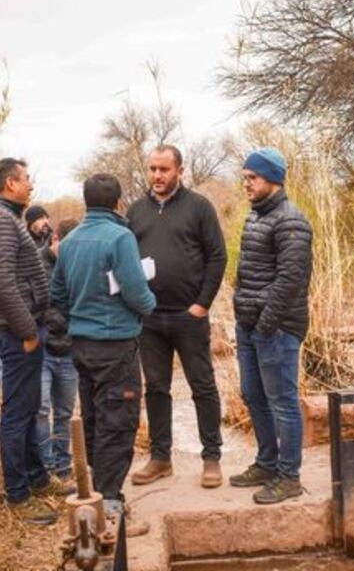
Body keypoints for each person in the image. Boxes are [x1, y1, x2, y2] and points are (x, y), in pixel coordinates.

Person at [50, 173, 156, 533]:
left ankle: (96, 493)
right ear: (117, 202)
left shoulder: (71, 239)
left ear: (86, 200)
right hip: (116, 346)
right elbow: (137, 293)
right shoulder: (120, 236)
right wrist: (149, 301)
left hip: (82, 347)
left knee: (94, 418)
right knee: (118, 422)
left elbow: (58, 295)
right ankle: (110, 509)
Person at [0, 158, 71, 526]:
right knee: (16, 413)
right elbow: (0, 283)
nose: (31, 184)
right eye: (27, 179)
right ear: (10, 184)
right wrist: (28, 330)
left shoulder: (3, 217)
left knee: (28, 408)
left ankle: (38, 477)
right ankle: (18, 493)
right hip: (17, 333)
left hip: (22, 328)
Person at [127, 144, 228, 489]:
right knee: (156, 388)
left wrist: (202, 304)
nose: (157, 176)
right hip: (149, 318)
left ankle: (211, 457)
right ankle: (160, 458)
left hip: (189, 315)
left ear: (180, 171)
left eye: (164, 170)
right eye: (152, 169)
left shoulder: (199, 207)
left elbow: (217, 257)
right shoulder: (136, 211)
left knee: (202, 385)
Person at [229, 148, 313, 505]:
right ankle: (266, 463)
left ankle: (289, 475)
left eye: (253, 178)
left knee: (283, 401)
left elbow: (292, 278)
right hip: (250, 326)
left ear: (273, 180)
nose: (246, 184)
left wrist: (265, 324)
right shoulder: (257, 216)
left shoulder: (291, 220)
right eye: (245, 177)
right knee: (253, 395)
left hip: (275, 328)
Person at [36, 217, 81, 479]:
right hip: (43, 348)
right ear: (55, 239)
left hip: (69, 351)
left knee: (64, 412)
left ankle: (63, 466)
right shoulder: (36, 263)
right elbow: (41, 306)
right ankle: (45, 465)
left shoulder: (78, 264)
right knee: (41, 409)